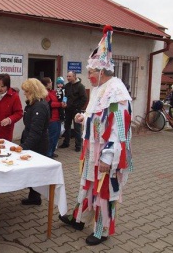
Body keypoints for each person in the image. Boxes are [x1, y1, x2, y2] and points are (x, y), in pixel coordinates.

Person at [59, 25, 133, 246]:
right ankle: (79, 218)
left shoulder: (117, 93)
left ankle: (101, 230)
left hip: (106, 155)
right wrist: (84, 117)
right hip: (92, 152)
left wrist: (108, 157)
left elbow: (119, 128)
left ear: (101, 71)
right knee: (87, 185)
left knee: (104, 191)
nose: (88, 77)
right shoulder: (101, 89)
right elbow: (98, 116)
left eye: (90, 73)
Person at [19, 78, 50, 205]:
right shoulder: (33, 104)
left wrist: (23, 147)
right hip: (32, 141)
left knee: (35, 172)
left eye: (26, 91)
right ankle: (34, 196)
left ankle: (35, 196)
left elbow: (35, 132)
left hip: (37, 145)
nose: (24, 93)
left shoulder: (40, 107)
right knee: (32, 172)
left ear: (33, 91)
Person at [59, 71, 87, 152]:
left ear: (74, 76)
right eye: (67, 76)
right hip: (67, 110)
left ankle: (78, 145)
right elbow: (64, 96)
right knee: (67, 127)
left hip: (76, 111)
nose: (68, 78)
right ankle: (66, 143)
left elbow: (84, 98)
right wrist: (64, 103)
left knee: (77, 128)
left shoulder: (80, 86)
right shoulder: (66, 86)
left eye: (69, 76)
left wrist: (77, 107)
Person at [40, 77, 62, 158]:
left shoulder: (53, 92)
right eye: (50, 82)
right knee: (51, 137)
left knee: (56, 136)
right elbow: (50, 104)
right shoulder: (44, 93)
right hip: (51, 118)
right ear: (46, 84)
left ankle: (52, 151)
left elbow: (58, 100)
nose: (51, 83)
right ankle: (48, 154)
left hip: (58, 117)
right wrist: (60, 104)